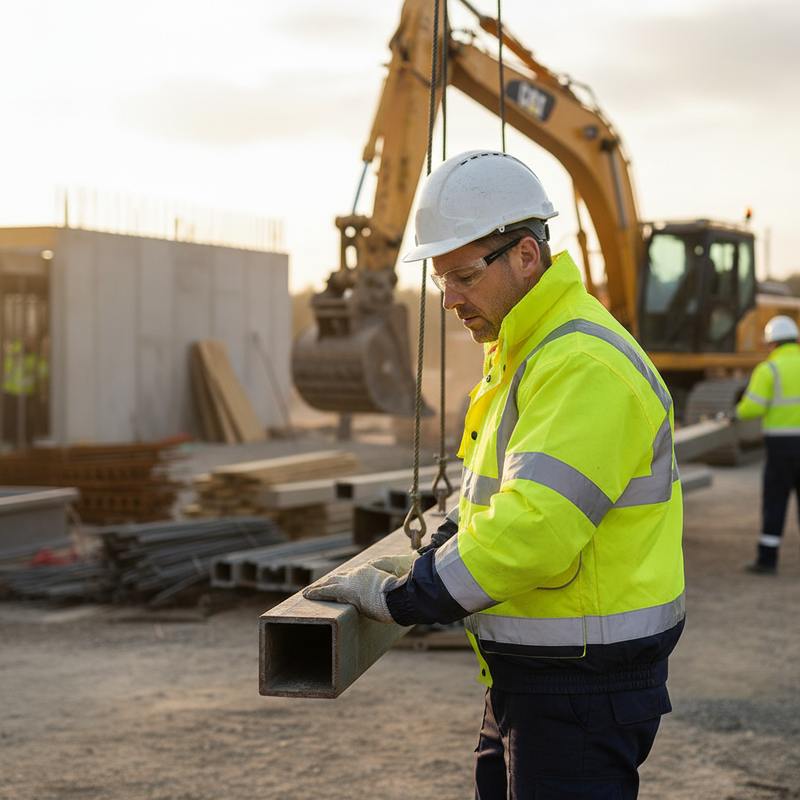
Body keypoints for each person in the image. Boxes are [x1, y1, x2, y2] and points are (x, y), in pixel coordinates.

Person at [304, 149, 685, 799]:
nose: (449, 298)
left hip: (579, 690)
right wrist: (445, 542)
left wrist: (406, 595)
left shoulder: (580, 363)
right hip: (540, 678)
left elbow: (532, 527)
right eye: (440, 279)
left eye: (464, 276)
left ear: (527, 257)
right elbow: (498, 496)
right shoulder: (527, 351)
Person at [736, 314, 800, 575]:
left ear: (771, 344)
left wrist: (735, 413)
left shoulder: (769, 369)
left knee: (775, 502)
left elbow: (752, 408)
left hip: (781, 448)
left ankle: (768, 560)